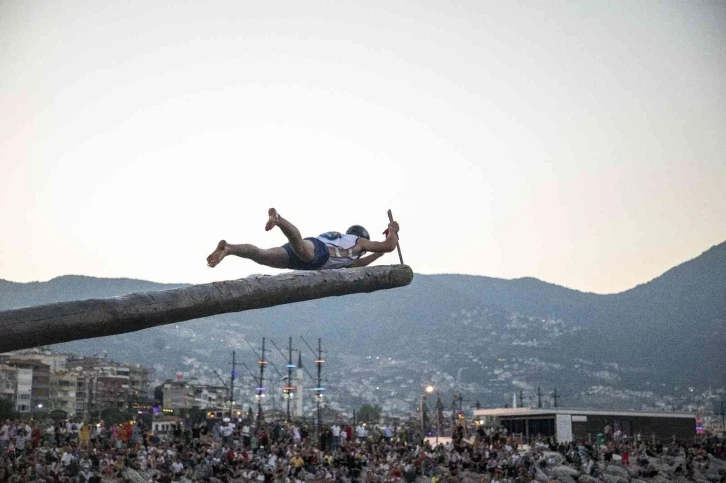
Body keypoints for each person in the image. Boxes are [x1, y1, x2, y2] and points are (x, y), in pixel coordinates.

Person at [207, 208, 400, 271]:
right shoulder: (358, 242)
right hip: (319, 253)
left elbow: (359, 264)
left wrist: (380, 254)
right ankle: (279, 220)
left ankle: (230, 249)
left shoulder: (345, 246)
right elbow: (390, 245)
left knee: (261, 255)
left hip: (311, 254)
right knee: (300, 248)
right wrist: (392, 231)